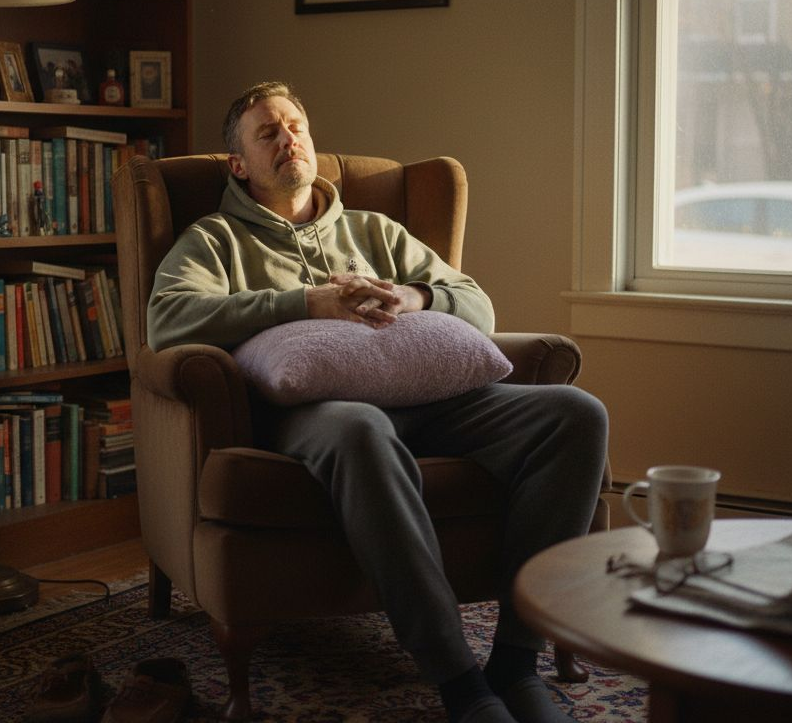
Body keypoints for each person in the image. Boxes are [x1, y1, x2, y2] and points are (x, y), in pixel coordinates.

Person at [146, 81, 608, 723]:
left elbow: (477, 302)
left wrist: (413, 295)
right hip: (318, 412)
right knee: (362, 429)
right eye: (267, 134)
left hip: (432, 400)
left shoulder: (374, 229)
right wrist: (308, 303)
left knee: (575, 415)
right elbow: (168, 322)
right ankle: (459, 681)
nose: (289, 141)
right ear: (238, 164)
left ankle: (515, 659)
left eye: (296, 127)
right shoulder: (217, 238)